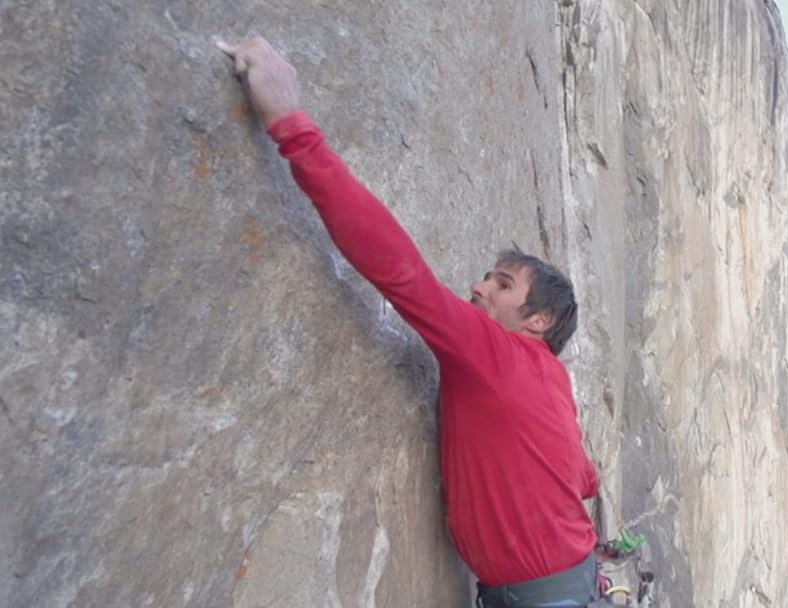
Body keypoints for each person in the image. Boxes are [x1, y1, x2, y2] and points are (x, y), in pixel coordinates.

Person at [218, 37, 602, 607]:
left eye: (502, 285)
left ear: (539, 320)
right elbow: (586, 477)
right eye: (488, 278)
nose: (478, 288)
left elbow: (399, 270)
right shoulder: (551, 379)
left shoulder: (499, 356)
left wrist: (292, 127)